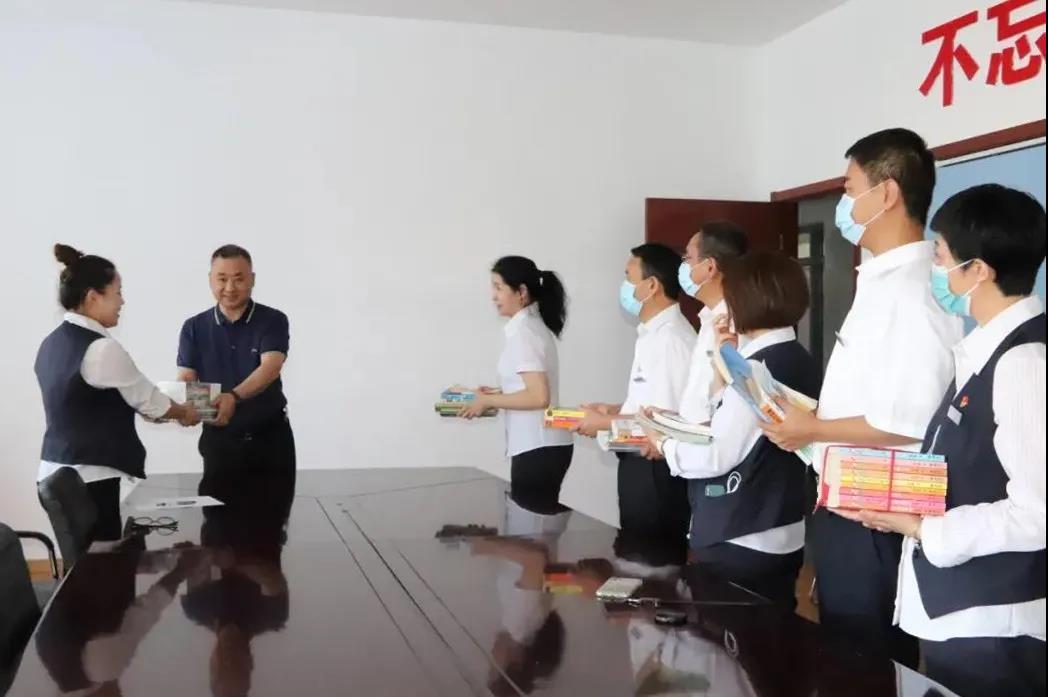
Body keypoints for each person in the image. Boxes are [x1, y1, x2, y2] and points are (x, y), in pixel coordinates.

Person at [759, 128, 963, 666]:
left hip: (877, 514)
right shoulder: (880, 282)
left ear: (887, 193)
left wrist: (813, 429)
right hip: (850, 505)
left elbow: (911, 419)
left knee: (865, 662)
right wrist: (810, 420)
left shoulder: (913, 290)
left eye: (850, 189)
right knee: (845, 656)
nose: (844, 204)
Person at [841, 184, 1046, 697]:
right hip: (961, 610)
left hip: (994, 623)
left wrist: (922, 527)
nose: (934, 269)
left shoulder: (1024, 363)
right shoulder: (985, 351)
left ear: (979, 271)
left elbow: (1037, 512)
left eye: (940, 256)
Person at [644, 252, 821, 610]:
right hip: (781, 529)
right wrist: (722, 368)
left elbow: (717, 453)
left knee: (732, 639)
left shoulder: (757, 368)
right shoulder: (797, 357)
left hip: (741, 534)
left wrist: (663, 444)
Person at [35, 244, 199, 541]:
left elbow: (105, 400)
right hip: (90, 480)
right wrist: (184, 412)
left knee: (86, 563)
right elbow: (151, 402)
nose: (122, 301)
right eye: (117, 292)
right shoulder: (101, 349)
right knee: (106, 565)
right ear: (93, 297)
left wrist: (152, 408)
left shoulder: (50, 344)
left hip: (54, 476)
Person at [575, 243, 694, 540]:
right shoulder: (652, 335)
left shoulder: (671, 340)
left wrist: (602, 423)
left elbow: (666, 425)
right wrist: (615, 410)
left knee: (651, 558)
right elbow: (652, 403)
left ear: (651, 285)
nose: (624, 286)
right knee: (634, 552)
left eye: (628, 277)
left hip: (656, 472)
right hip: (639, 468)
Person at [176, 245, 295, 506]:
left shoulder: (273, 320)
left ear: (252, 279)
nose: (230, 288)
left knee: (273, 521)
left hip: (270, 440)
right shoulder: (193, 327)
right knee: (217, 523)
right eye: (222, 279)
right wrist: (186, 408)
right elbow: (186, 378)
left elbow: (270, 368)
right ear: (210, 280)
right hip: (219, 441)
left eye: (239, 279)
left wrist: (233, 397)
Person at [457, 256, 573, 514]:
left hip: (538, 446)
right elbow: (531, 389)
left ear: (521, 292)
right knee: (532, 526)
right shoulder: (527, 328)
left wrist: (488, 400)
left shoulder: (525, 333)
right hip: (541, 444)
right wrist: (494, 394)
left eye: (499, 288)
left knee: (529, 529)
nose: (493, 296)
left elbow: (539, 396)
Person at [676, 222, 749, 424]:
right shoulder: (709, 318)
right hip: (691, 437)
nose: (683, 266)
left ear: (710, 267)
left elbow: (733, 406)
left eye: (688, 258)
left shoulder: (734, 325)